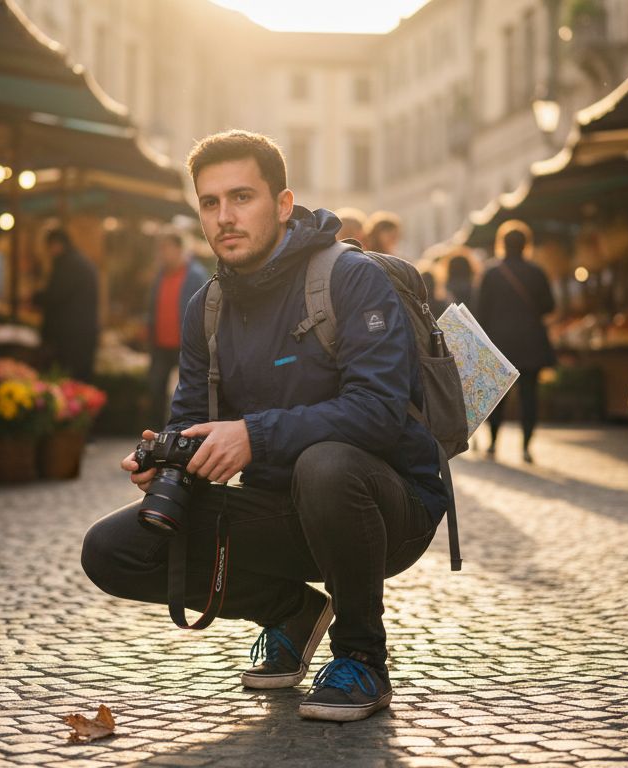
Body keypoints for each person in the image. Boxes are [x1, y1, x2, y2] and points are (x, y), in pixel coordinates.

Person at [82, 130, 447, 722]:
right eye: (210, 203)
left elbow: (378, 414)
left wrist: (254, 435)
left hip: (385, 511)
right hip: (280, 513)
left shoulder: (350, 279)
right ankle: (291, 611)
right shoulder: (206, 306)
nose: (225, 217)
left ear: (282, 205)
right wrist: (168, 459)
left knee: (324, 465)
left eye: (242, 197)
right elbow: (191, 417)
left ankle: (362, 656)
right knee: (113, 548)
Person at [475, 220, 556, 463]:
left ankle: (492, 444)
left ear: (502, 243)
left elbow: (480, 311)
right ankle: (526, 446)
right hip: (531, 341)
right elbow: (549, 306)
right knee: (529, 395)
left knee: (497, 395)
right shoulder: (537, 272)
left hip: (499, 343)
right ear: (526, 245)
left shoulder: (490, 273)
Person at [146, 230, 209, 425]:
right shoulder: (160, 275)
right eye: (161, 249)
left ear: (179, 249)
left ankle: (183, 431)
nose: (163, 253)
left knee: (188, 391)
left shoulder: (195, 275)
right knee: (155, 388)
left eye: (167, 248)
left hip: (185, 344)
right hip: (160, 344)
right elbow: (153, 306)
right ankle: (156, 433)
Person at [33, 227, 100, 382]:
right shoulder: (77, 261)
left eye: (49, 247)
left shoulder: (69, 265)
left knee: (70, 381)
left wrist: (35, 298)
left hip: (72, 336)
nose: (49, 253)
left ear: (57, 245)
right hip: (81, 333)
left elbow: (56, 295)